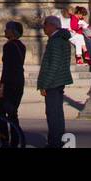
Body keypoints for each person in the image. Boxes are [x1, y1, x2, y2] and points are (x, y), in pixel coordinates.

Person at [36, 14, 72, 149]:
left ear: (52, 26)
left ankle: (54, 142)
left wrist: (44, 84)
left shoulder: (55, 41)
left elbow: (53, 64)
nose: (44, 28)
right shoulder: (61, 39)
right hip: (59, 80)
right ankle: (58, 139)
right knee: (57, 112)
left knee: (52, 114)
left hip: (53, 82)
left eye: (45, 25)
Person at [0, 20, 25, 148]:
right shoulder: (21, 46)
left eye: (7, 28)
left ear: (12, 32)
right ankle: (15, 141)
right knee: (13, 114)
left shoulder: (8, 46)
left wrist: (1, 88)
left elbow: (6, 68)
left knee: (1, 113)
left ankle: (5, 140)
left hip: (9, 83)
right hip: (19, 81)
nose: (5, 30)